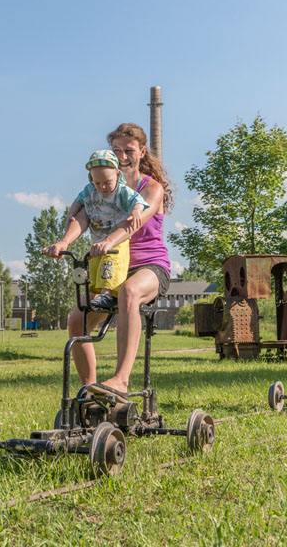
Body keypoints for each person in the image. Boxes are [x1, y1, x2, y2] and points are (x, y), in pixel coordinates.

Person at [44, 123, 172, 402]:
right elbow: (82, 217)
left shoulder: (151, 189)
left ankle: (121, 380)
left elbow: (132, 225)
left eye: (129, 150)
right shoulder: (101, 189)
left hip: (148, 267)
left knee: (129, 292)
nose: (123, 156)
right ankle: (92, 393)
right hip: (112, 269)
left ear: (142, 152)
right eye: (117, 151)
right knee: (77, 320)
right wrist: (65, 242)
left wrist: (108, 242)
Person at [72, 149, 148, 309]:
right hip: (98, 240)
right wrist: (70, 215)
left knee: (111, 264)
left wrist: (135, 212)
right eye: (97, 183)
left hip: (117, 240)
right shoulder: (90, 191)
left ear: (117, 176)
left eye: (107, 182)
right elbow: (78, 202)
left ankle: (108, 295)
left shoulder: (122, 191)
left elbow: (138, 200)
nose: (102, 187)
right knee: (94, 268)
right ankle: (99, 294)